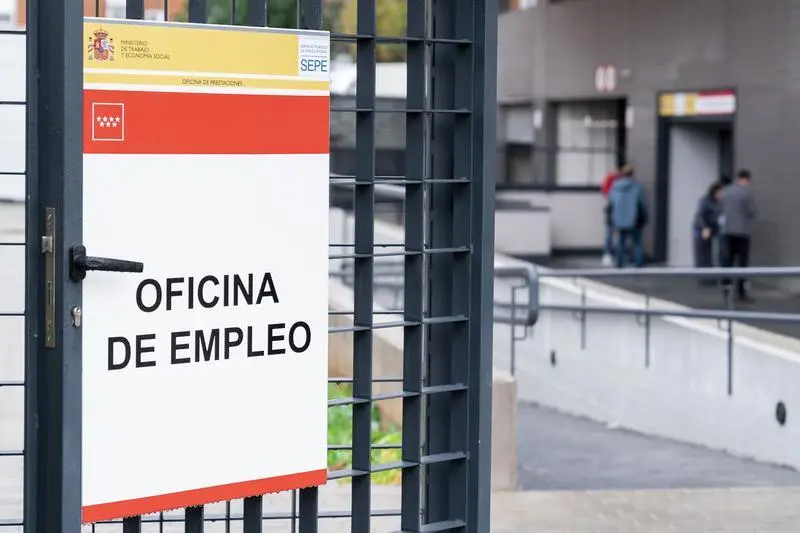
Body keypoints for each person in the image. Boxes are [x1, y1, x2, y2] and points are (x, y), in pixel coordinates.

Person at [719, 169, 757, 301]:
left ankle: (726, 289)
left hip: (727, 231)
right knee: (742, 263)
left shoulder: (726, 192)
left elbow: (721, 209)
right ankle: (741, 292)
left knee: (727, 261)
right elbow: (751, 211)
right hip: (742, 232)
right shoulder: (746, 193)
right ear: (745, 179)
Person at [608, 164, 648, 268]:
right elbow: (642, 204)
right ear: (632, 174)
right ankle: (639, 264)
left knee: (621, 241)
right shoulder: (637, 186)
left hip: (620, 219)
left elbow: (611, 203)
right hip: (634, 218)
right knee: (637, 242)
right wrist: (644, 217)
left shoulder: (615, 187)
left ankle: (619, 263)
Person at [692, 181, 723, 280]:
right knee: (701, 253)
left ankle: (709, 277)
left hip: (711, 230)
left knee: (708, 253)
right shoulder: (705, 201)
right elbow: (699, 216)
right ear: (715, 191)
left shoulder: (718, 202)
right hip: (700, 229)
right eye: (720, 192)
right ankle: (701, 277)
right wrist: (704, 228)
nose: (722, 195)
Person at [600, 166, 622, 266]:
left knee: (611, 233)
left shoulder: (612, 178)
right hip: (619, 209)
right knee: (615, 233)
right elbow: (604, 192)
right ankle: (610, 255)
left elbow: (604, 192)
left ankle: (609, 255)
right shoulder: (613, 178)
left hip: (613, 208)